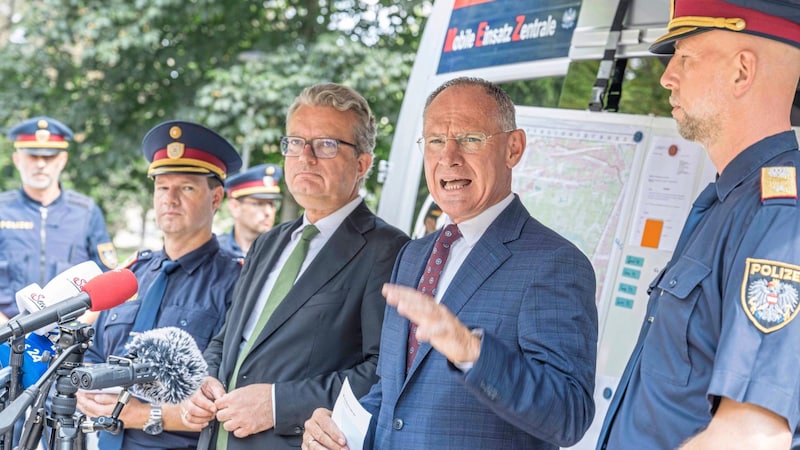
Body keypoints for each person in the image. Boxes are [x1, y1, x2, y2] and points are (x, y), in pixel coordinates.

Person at [303, 77, 598, 449]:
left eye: (471, 139)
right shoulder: (413, 256)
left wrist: (473, 353)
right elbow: (394, 393)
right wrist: (338, 429)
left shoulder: (555, 263)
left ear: (513, 148)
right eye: (436, 142)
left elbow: (568, 417)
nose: (449, 157)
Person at [596, 1, 800, 449]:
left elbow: (754, 434)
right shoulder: (725, 201)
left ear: (741, 72)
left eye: (685, 58)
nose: (668, 76)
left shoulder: (779, 214)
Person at [178, 83, 409, 449]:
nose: (306, 157)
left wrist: (277, 405)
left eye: (326, 145)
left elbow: (384, 374)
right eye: (296, 143)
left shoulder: (389, 250)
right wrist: (203, 381)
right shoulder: (269, 243)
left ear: (362, 163)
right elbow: (229, 339)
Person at [77, 120, 244, 450]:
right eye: (162, 187)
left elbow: (229, 396)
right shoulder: (130, 274)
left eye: (186, 188)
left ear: (216, 198)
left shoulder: (236, 283)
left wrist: (141, 414)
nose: (171, 199)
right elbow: (94, 353)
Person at [0, 116, 117, 321]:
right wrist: (7, 336)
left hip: (68, 341)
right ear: (17, 159)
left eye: (49, 156)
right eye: (32, 156)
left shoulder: (86, 213)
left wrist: (70, 336)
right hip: (5, 340)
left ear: (62, 160)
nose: (41, 164)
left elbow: (107, 282)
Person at [218, 163, 283, 257]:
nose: (268, 212)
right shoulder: (216, 252)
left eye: (271, 204)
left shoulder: (282, 252)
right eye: (259, 204)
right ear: (234, 207)